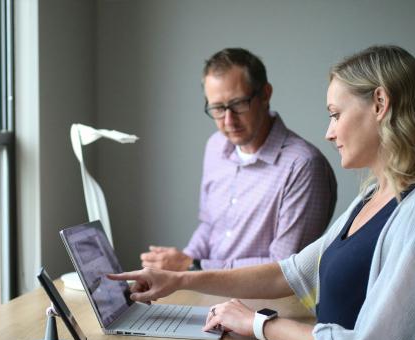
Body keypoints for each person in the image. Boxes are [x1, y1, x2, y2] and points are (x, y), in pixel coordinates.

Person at [111, 45, 415, 340]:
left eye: (335, 114)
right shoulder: (371, 197)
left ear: (380, 103)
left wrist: (257, 324)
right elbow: (291, 271)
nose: (329, 132)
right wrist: (179, 279)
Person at [140, 48, 337, 271]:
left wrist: (193, 266)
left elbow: (283, 268)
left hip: (264, 304)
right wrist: (177, 265)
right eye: (217, 108)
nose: (228, 120)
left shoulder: (303, 165)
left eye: (238, 104)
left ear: (265, 94)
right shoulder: (215, 146)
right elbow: (209, 227)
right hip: (207, 291)